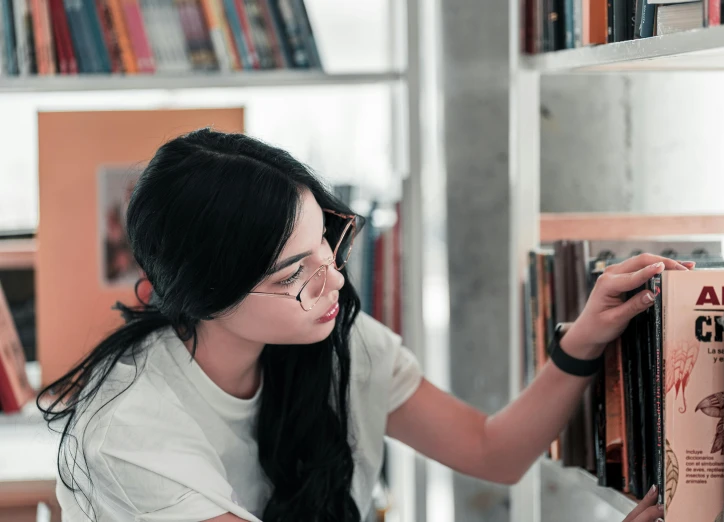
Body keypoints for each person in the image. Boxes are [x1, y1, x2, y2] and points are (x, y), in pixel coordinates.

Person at [39, 129, 688, 522]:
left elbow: (493, 452)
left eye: (329, 247)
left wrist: (584, 341)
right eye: (296, 272)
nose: (336, 283)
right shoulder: (127, 428)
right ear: (200, 294)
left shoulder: (333, 337)